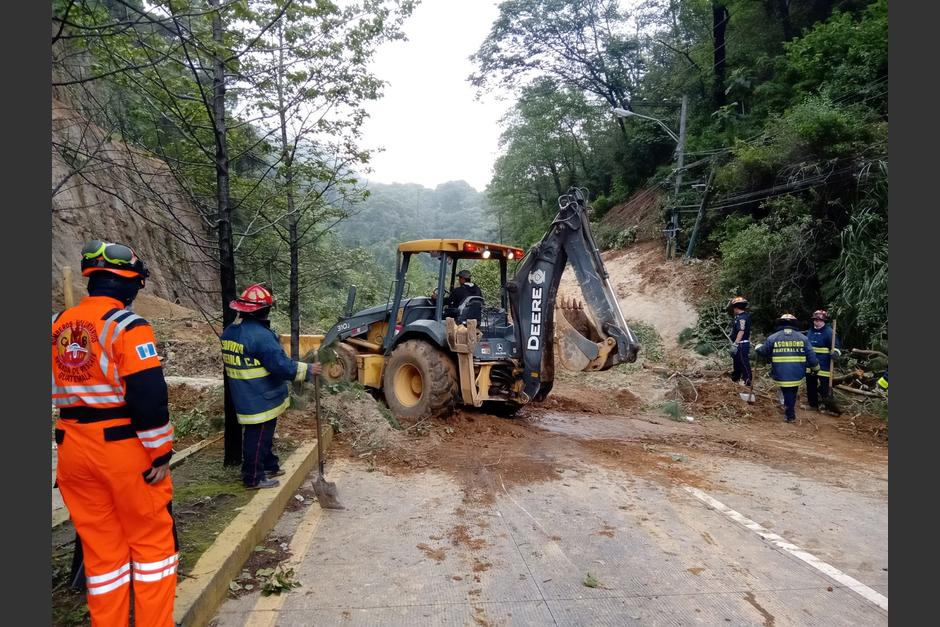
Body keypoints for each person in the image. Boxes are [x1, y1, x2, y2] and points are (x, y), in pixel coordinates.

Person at [52, 240, 177, 626]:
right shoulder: (128, 326)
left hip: (71, 448)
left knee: (102, 555)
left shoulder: (57, 324)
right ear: (128, 286)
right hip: (122, 450)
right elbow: (148, 395)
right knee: (153, 547)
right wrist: (159, 452)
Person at [221, 283, 322, 489]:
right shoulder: (261, 336)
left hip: (244, 393)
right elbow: (281, 366)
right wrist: (309, 369)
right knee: (258, 437)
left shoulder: (231, 332)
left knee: (262, 434)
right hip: (260, 396)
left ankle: (268, 464)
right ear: (264, 310)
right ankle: (253, 477)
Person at [756, 313, 820, 423]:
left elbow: (763, 352)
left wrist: (758, 347)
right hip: (797, 372)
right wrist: (816, 368)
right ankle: (789, 412)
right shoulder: (803, 338)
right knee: (792, 392)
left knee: (786, 391)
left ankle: (789, 415)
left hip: (780, 372)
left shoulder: (773, 337)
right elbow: (811, 356)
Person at [804, 309, 842, 410]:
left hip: (824, 365)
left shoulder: (829, 332)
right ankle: (813, 405)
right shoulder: (810, 331)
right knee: (811, 385)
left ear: (824, 321)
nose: (817, 322)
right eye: (815, 320)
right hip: (810, 364)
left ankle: (827, 406)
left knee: (825, 387)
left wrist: (836, 353)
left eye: (819, 320)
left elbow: (837, 347)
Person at [727, 296, 752, 387]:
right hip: (740, 343)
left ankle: (748, 381)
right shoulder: (741, 317)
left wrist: (735, 344)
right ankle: (735, 378)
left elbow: (741, 331)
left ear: (736, 307)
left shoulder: (742, 318)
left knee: (744, 363)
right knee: (737, 362)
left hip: (741, 344)